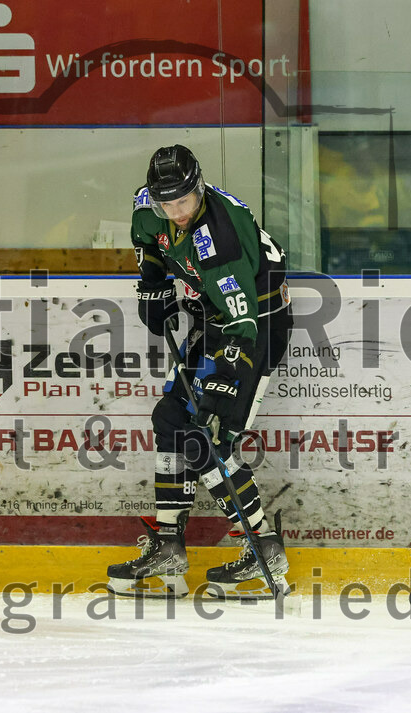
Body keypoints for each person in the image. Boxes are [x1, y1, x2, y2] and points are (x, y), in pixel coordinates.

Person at [107, 145, 294, 600]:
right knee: (170, 420)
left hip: (255, 327)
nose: (176, 212)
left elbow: (243, 321)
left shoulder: (218, 239)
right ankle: (168, 543)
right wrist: (152, 287)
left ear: (199, 187)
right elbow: (147, 240)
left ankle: (263, 549)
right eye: (167, 204)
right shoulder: (150, 207)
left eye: (184, 202)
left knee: (207, 436)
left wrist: (226, 376)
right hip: (212, 322)